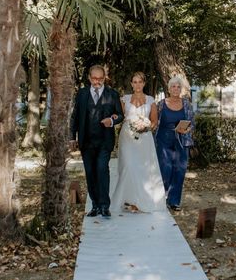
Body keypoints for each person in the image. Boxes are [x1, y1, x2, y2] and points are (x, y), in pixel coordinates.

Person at [69, 65, 124, 218]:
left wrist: (112, 121)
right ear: (89, 78)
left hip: (104, 142)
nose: (97, 81)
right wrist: (72, 137)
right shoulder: (82, 93)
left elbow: (120, 115)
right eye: (94, 78)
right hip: (86, 141)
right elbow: (75, 117)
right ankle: (95, 205)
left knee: (102, 170)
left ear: (104, 77)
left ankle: (105, 206)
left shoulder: (112, 94)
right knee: (90, 173)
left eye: (100, 78)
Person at [110, 72, 166, 213]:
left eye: (140, 82)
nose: (137, 85)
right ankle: (127, 198)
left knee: (142, 168)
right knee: (128, 166)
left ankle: (139, 201)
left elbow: (154, 121)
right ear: (131, 84)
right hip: (127, 137)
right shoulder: (125, 99)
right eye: (134, 82)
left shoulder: (150, 100)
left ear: (144, 83)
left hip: (145, 138)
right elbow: (119, 116)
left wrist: (146, 126)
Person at [155, 76, 194, 212]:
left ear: (181, 89)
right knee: (165, 169)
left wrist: (187, 129)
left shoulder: (187, 104)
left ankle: (174, 201)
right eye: (173, 86)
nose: (176, 89)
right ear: (169, 89)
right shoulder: (161, 104)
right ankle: (161, 198)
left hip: (181, 140)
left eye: (178, 87)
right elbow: (155, 122)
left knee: (179, 170)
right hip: (163, 140)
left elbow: (191, 123)